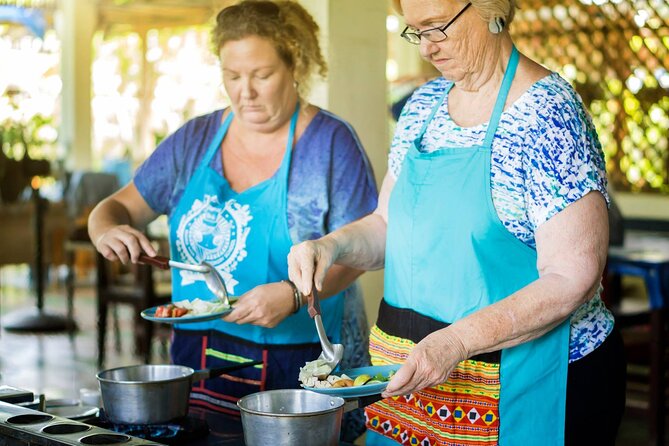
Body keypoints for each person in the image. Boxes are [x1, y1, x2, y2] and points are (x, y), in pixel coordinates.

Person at [288, 0, 626, 444]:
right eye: (415, 32)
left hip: (528, 384)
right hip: (416, 385)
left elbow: (572, 277)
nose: (426, 48)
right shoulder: (422, 107)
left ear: (491, 9)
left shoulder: (548, 114)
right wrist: (329, 247)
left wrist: (456, 342)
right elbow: (387, 226)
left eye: (436, 28)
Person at [88, 0, 377, 441]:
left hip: (300, 362)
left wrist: (295, 296)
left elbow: (360, 253)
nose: (246, 92)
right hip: (197, 357)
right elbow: (115, 208)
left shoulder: (330, 145)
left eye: (262, 75)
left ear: (295, 63)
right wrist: (108, 229)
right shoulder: (194, 141)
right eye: (233, 76)